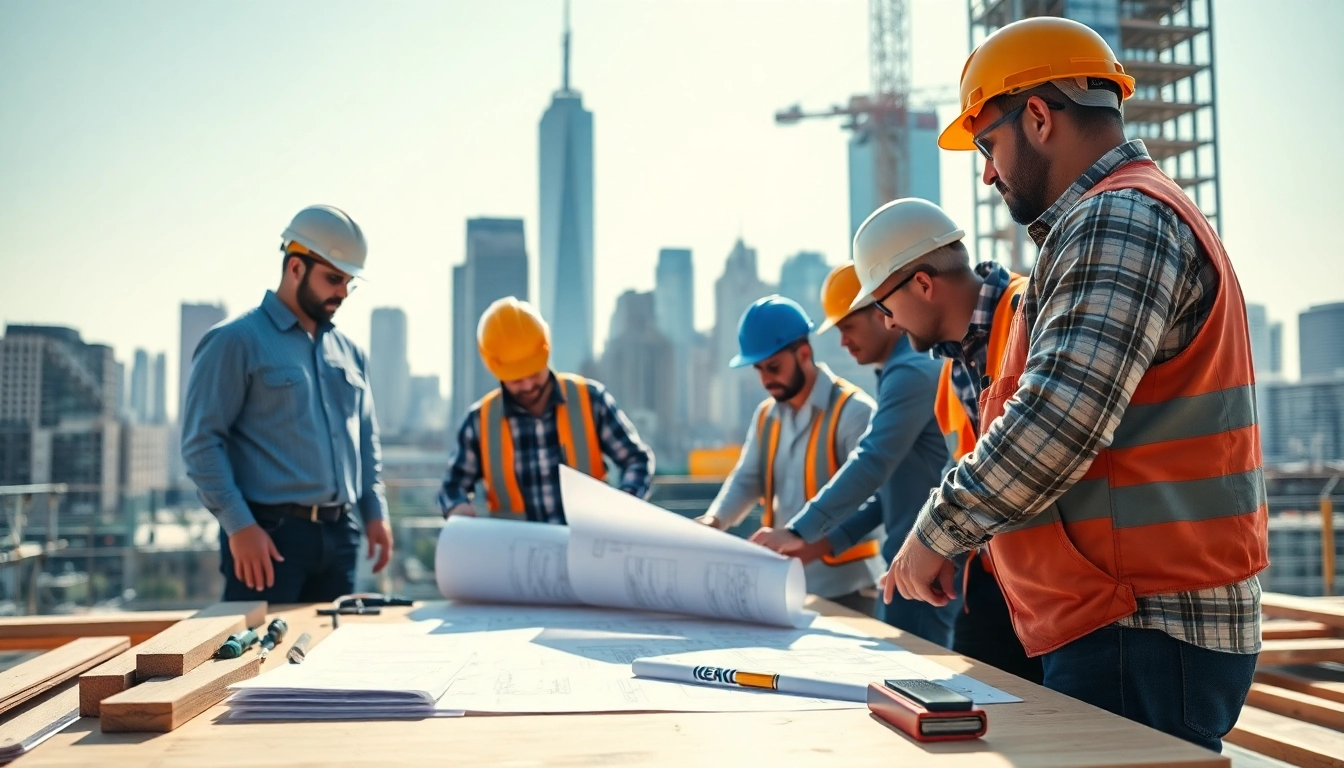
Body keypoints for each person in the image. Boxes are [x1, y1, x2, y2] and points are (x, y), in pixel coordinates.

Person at [880, 17, 1266, 752]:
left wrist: (937, 530)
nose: (988, 174)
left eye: (988, 145)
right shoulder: (1114, 218)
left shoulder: (1119, 216)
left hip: (1142, 626)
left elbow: (1057, 420)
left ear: (1038, 116)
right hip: (1125, 621)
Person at [843, 198, 1040, 684]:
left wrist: (933, 539)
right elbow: (965, 471)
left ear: (924, 284)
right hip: (992, 589)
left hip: (1065, 591)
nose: (889, 322)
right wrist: (950, 550)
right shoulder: (950, 373)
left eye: (885, 307)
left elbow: (1041, 448)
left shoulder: (1032, 313)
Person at [182, 204, 394, 602]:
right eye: (333, 278)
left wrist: (374, 511)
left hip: (340, 537)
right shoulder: (234, 341)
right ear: (295, 267)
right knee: (260, 644)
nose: (342, 292)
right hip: (268, 539)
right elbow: (201, 442)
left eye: (349, 282)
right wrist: (239, 526)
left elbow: (365, 440)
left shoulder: (351, 353)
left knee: (331, 642)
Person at [750, 268, 955, 646]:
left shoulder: (910, 371)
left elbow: (871, 462)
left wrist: (797, 531)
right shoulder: (898, 371)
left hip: (927, 562)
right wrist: (817, 545)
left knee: (917, 672)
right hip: (911, 561)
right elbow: (888, 494)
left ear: (881, 312)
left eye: (848, 327)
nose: (843, 341)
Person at [698, 295, 884, 615]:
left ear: (804, 354)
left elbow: (875, 502)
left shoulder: (854, 412)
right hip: (783, 586)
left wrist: (812, 546)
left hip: (848, 591)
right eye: (759, 369)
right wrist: (715, 520)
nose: (765, 380)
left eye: (774, 367)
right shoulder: (765, 416)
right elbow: (747, 479)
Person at [438, 297, 653, 522]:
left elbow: (636, 459)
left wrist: (626, 502)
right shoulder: (479, 423)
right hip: (514, 543)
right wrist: (456, 506)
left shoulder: (591, 400)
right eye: (516, 379)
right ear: (496, 370)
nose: (528, 386)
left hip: (589, 539)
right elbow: (452, 486)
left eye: (534, 373)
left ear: (546, 352)